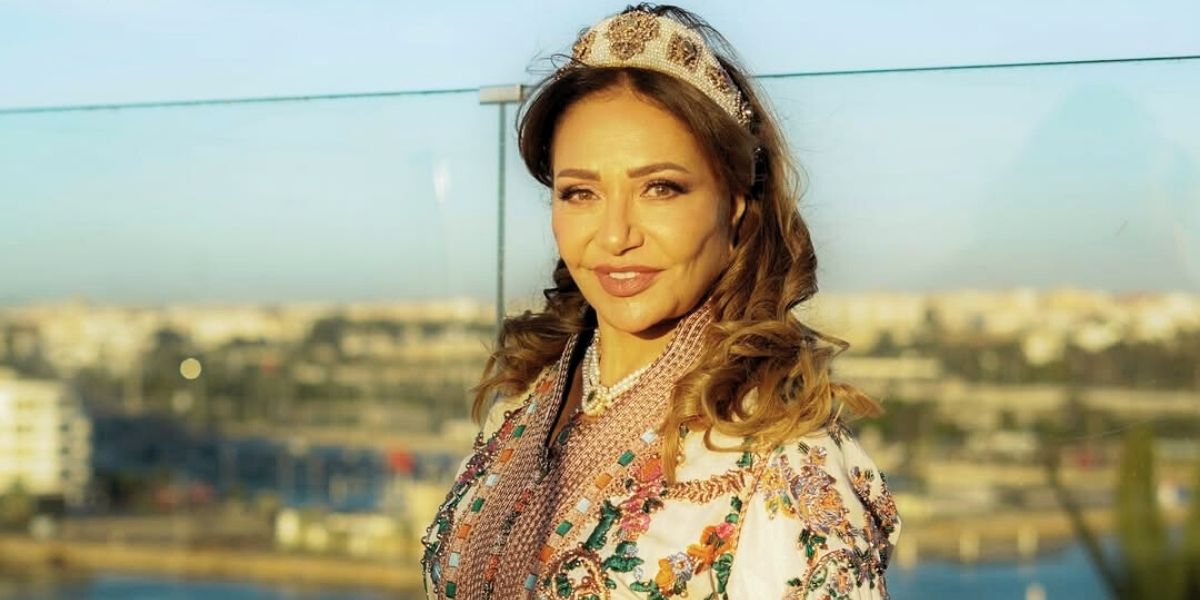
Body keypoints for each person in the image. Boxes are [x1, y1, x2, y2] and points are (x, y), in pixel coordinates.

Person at [421, 4, 901, 598]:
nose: (616, 235)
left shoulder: (782, 456)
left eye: (660, 188)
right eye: (580, 192)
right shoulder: (528, 398)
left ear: (735, 203)